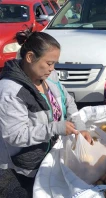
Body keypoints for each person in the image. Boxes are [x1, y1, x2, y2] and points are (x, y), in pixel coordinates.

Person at [0, 29, 92, 198]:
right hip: (29, 162)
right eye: (49, 63)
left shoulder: (48, 76)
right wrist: (55, 128)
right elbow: (14, 135)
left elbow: (67, 100)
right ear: (29, 57)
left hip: (51, 151)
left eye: (54, 63)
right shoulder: (11, 91)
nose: (52, 68)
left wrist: (81, 127)